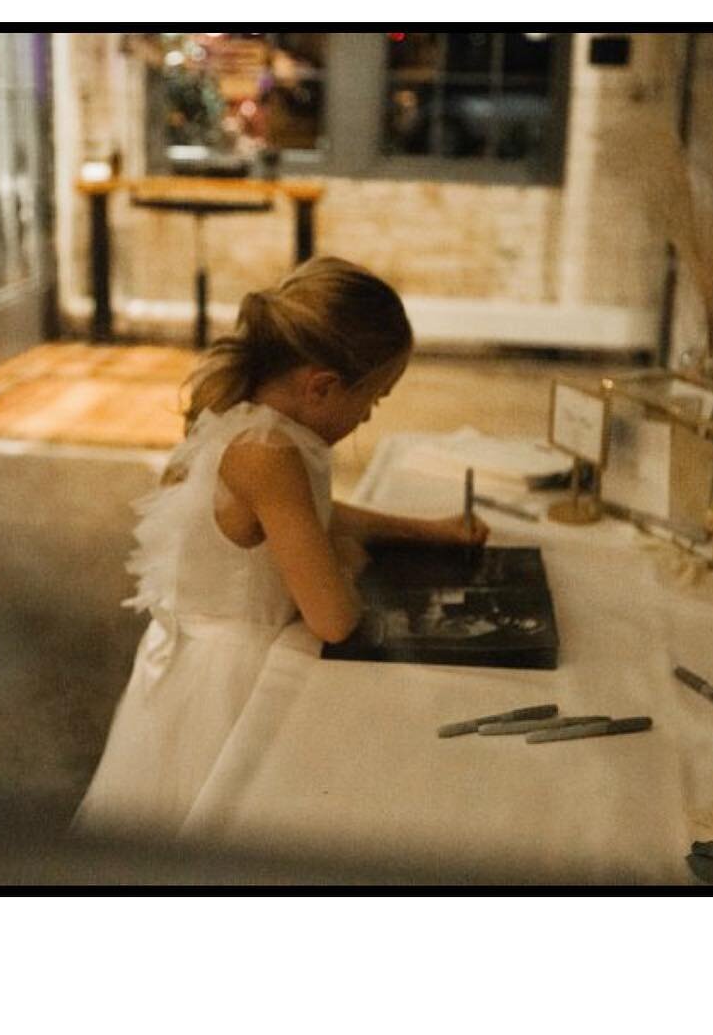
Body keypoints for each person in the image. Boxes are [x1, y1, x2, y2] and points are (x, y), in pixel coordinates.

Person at [71, 257, 489, 840]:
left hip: (219, 659)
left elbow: (308, 518)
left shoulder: (252, 423)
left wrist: (429, 530)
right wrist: (346, 564)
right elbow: (334, 618)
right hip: (230, 684)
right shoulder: (268, 455)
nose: (369, 415)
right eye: (373, 400)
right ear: (321, 386)